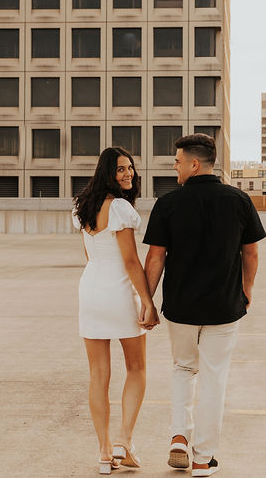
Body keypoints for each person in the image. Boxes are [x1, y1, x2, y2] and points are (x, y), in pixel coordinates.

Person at [143, 133, 265, 477]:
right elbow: (251, 252)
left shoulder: (168, 204)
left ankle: (179, 435)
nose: (175, 167)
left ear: (194, 164)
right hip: (225, 306)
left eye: (178, 162)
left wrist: (147, 302)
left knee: (183, 368)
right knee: (214, 378)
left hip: (181, 307)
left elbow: (155, 257)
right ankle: (202, 458)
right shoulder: (239, 200)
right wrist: (247, 289)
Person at [73, 147, 160, 474]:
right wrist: (148, 301)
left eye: (131, 169)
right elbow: (129, 261)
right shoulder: (121, 208)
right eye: (121, 169)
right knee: (136, 368)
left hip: (90, 289)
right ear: (107, 173)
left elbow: (89, 255)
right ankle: (124, 441)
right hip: (120, 291)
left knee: (98, 374)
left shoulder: (82, 207)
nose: (128, 174)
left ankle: (104, 453)